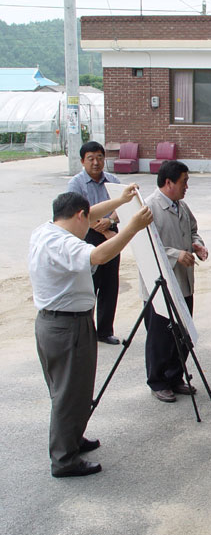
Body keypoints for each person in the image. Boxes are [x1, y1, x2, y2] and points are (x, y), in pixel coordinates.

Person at [29, 187, 152, 477]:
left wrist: (121, 201)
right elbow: (100, 255)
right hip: (68, 327)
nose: (90, 224)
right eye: (87, 218)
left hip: (54, 323)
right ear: (78, 216)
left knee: (72, 390)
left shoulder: (46, 230)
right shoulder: (65, 244)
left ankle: (72, 437)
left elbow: (90, 212)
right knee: (70, 393)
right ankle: (64, 459)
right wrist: (132, 227)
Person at [141, 161, 208, 403]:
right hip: (160, 286)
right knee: (160, 336)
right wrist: (176, 254)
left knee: (183, 333)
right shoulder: (148, 208)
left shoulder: (182, 206)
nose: (186, 186)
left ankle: (175, 376)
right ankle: (158, 381)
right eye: (184, 182)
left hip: (184, 282)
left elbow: (193, 230)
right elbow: (146, 245)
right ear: (168, 182)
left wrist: (197, 244)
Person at [66, 141, 123, 345]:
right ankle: (86, 332)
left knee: (110, 284)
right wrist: (105, 229)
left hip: (112, 235)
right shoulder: (76, 184)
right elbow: (77, 215)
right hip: (87, 237)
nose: (96, 163)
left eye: (99, 157)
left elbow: (121, 207)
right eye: (90, 159)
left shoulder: (113, 181)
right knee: (89, 285)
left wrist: (111, 222)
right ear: (82, 161)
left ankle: (105, 331)